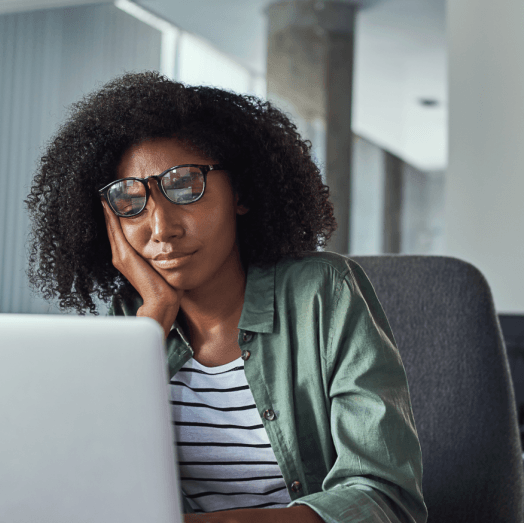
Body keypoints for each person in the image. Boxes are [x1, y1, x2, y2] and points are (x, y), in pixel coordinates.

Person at [26, 71, 427, 523]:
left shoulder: (323, 293)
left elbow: (384, 498)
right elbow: (85, 485)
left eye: (184, 186)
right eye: (130, 199)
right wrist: (153, 318)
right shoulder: (131, 321)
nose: (161, 228)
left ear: (241, 191)